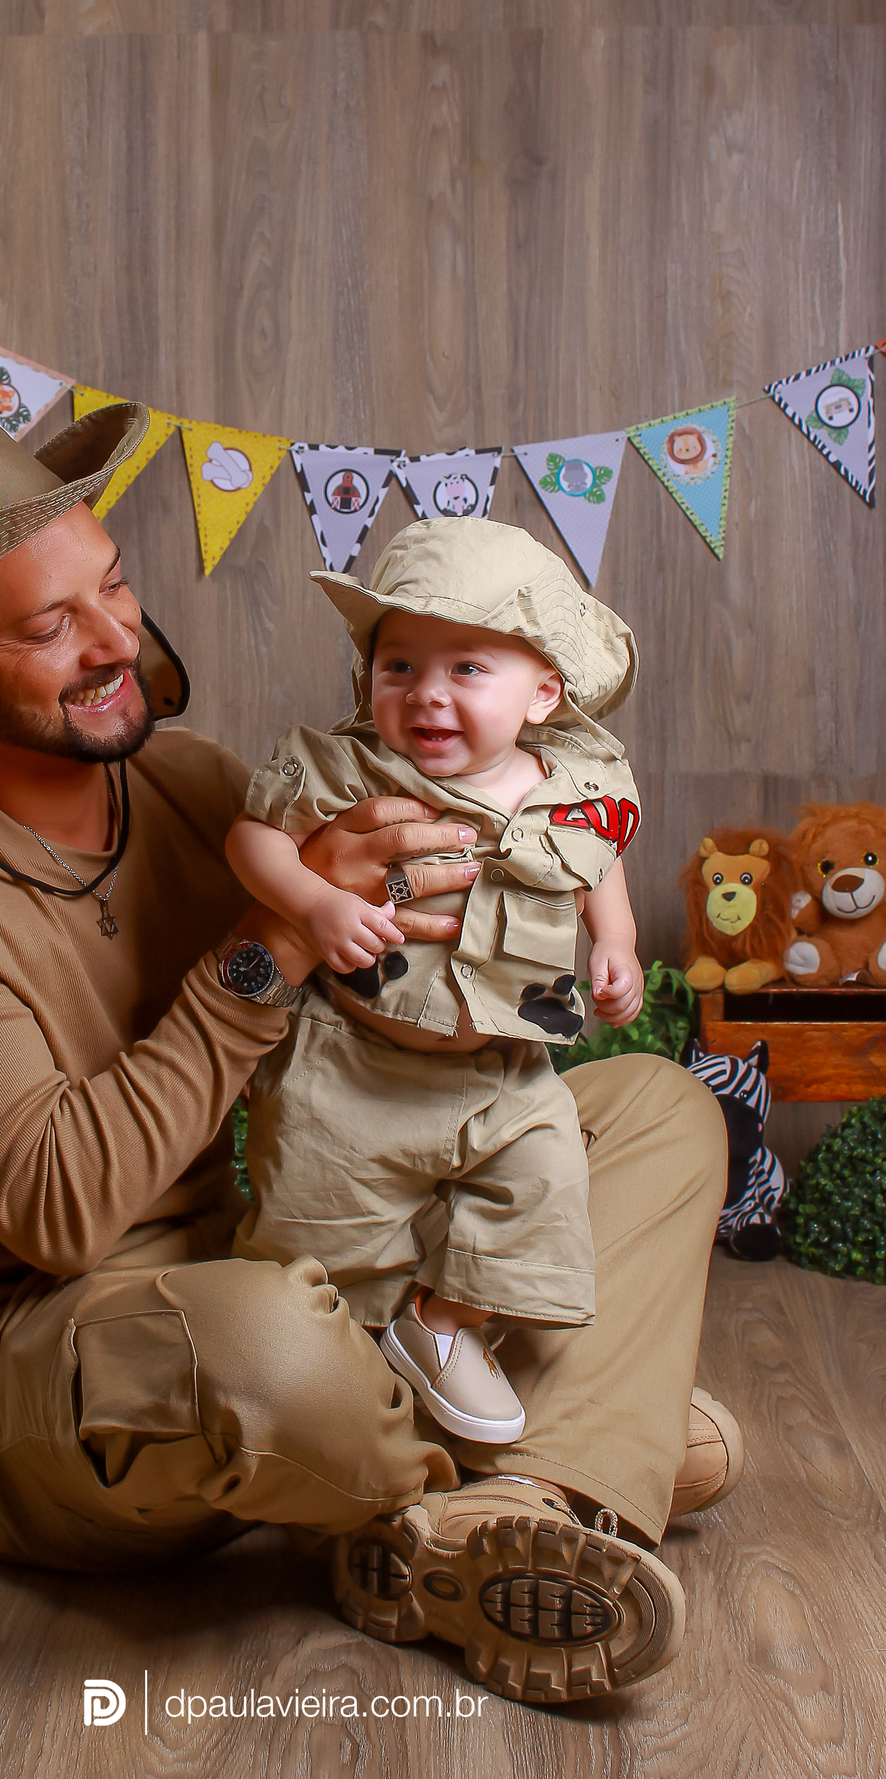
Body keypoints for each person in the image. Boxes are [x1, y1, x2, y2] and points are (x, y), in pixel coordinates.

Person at [0, 403, 740, 1708]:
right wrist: (280, 942)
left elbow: (400, 1024)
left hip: (281, 1243)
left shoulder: (190, 782)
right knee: (271, 1348)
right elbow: (64, 1213)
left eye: (112, 586)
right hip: (47, 1367)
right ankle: (558, 1464)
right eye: (45, 625)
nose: (116, 640)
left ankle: (492, 1496)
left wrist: (531, 942)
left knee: (654, 1110)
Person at [226, 519, 643, 1444]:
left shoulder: (575, 781)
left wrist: (615, 942)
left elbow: (599, 857)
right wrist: (311, 900)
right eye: (400, 667)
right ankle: (339, 1385)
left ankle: (446, 1326)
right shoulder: (345, 766)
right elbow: (252, 836)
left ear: (544, 691)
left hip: (508, 1069)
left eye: (467, 670)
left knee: (542, 1183)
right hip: (353, 1065)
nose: (427, 696)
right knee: (319, 1234)